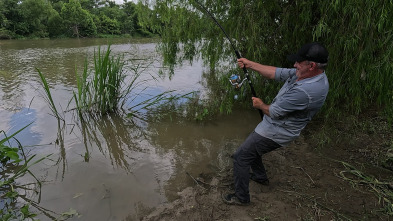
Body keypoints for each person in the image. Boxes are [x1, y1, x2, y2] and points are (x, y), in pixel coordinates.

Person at [222, 42, 329, 205]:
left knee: (241, 157)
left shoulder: (307, 91)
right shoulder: (306, 74)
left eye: (298, 63)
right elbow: (276, 73)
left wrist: (260, 105)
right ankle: (260, 177)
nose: (294, 65)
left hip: (277, 132)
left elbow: (273, 111)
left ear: (312, 65)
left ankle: (241, 198)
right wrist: (250, 64)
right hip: (272, 126)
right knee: (251, 149)